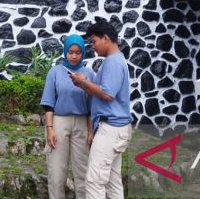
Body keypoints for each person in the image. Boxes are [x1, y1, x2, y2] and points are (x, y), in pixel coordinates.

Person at [70, 20, 131, 199]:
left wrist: (83, 82)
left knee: (95, 180)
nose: (93, 47)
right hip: (117, 128)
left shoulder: (113, 62)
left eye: (94, 41)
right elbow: (102, 91)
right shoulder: (117, 60)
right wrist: (84, 84)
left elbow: (106, 94)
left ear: (106, 38)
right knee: (112, 181)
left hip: (110, 129)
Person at [40, 34, 95, 199]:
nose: (74, 56)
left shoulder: (89, 74)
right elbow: (48, 103)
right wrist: (49, 129)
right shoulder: (55, 72)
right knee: (57, 171)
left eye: (78, 52)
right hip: (58, 122)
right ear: (65, 52)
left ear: (83, 53)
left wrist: (91, 130)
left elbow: (93, 106)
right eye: (70, 52)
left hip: (82, 124)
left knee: (83, 171)